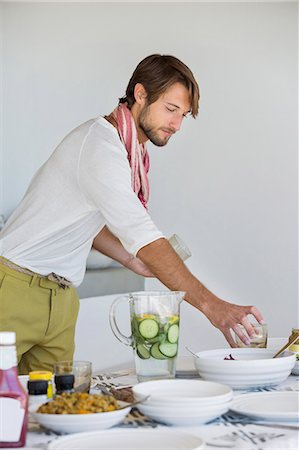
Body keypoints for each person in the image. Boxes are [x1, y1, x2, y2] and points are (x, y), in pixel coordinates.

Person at [0, 54, 263, 373]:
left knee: (52, 411)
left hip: (63, 299)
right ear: (140, 94)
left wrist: (127, 259)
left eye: (183, 114)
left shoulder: (128, 153)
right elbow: (145, 237)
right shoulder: (100, 145)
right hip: (12, 288)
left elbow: (86, 222)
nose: (177, 125)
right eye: (170, 109)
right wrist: (213, 307)